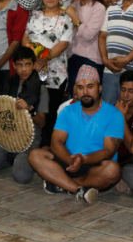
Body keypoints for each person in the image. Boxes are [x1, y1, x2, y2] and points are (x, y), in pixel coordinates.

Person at [28, 65, 123, 204]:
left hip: (94, 166)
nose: (85, 91)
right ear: (75, 91)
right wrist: (71, 161)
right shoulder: (68, 111)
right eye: (80, 87)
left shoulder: (114, 115)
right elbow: (56, 142)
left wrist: (83, 160)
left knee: (113, 170)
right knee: (35, 155)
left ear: (100, 88)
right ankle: (78, 189)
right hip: (68, 161)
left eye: (90, 86)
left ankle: (60, 182)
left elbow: (108, 151)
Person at [0, 47, 48, 183]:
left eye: (28, 64)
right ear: (14, 66)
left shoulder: (40, 88)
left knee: (21, 177)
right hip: (8, 133)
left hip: (30, 138)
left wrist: (29, 111)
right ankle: (11, 157)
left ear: (34, 65)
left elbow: (42, 122)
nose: (24, 69)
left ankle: (22, 159)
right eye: (20, 65)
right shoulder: (9, 83)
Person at [23, 0, 73, 143]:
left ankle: (48, 147)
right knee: (32, 109)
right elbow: (25, 39)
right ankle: (29, 144)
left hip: (55, 73)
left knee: (51, 113)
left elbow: (63, 44)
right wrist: (34, 59)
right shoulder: (34, 15)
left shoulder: (66, 18)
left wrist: (42, 60)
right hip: (32, 71)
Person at [65, 0, 106, 94]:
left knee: (87, 98)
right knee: (74, 96)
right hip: (72, 56)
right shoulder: (73, 5)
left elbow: (88, 35)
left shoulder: (99, 7)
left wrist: (74, 16)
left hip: (90, 59)